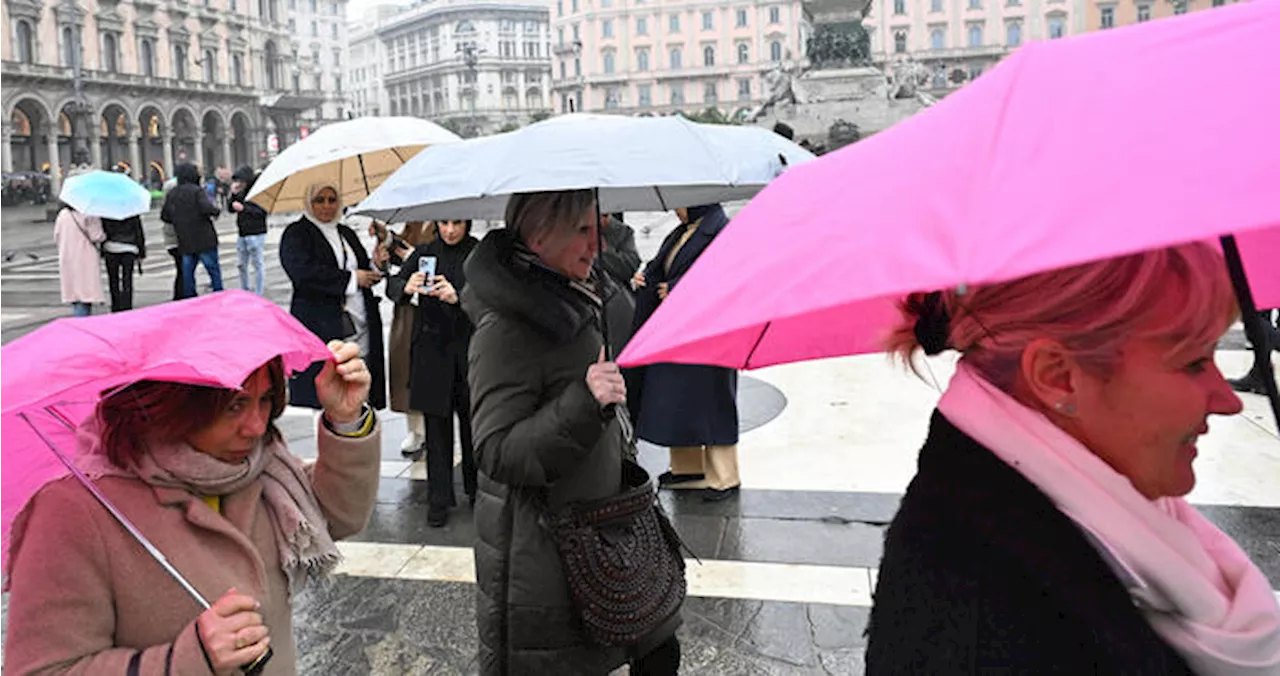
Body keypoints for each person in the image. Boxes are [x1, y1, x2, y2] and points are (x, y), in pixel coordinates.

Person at [866, 243, 1280, 673]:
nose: (1228, 400)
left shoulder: (1102, 521)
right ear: (1058, 377)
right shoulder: (980, 626)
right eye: (1193, 362)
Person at [3, 341, 381, 674]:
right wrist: (185, 660)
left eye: (265, 400)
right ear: (171, 408)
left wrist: (346, 420)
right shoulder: (74, 511)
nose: (256, 425)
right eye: (234, 406)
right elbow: (44, 669)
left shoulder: (260, 466)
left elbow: (336, 516)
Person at [463, 190, 682, 675]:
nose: (596, 243)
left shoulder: (578, 294)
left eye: (598, 227)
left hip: (605, 527)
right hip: (544, 553)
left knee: (661, 649)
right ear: (539, 235)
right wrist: (585, 402)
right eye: (583, 230)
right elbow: (496, 452)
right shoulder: (504, 330)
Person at [630, 204, 741, 502]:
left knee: (714, 401)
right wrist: (645, 278)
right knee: (682, 399)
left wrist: (679, 288)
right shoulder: (682, 231)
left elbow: (727, 275)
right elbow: (662, 266)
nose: (676, 209)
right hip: (681, 329)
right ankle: (687, 468)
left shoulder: (721, 231)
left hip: (710, 333)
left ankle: (725, 476)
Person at [387, 219, 479, 528]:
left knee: (472, 426)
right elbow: (392, 286)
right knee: (436, 430)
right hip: (431, 352)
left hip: (468, 351)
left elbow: (495, 297)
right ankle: (438, 499)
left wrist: (460, 297)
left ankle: (475, 490)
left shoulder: (478, 253)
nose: (450, 230)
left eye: (457, 224)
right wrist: (407, 287)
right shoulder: (424, 252)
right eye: (444, 223)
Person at [279, 181, 387, 411]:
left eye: (332, 200)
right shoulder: (297, 234)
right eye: (320, 200)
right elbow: (303, 273)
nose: (327, 206)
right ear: (309, 202)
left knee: (359, 384)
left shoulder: (344, 231)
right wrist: (350, 279)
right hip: (320, 326)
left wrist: (376, 263)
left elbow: (363, 269)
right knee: (324, 393)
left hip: (359, 323)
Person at [383, 221, 438, 453]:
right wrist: (387, 241)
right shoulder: (414, 219)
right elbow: (396, 277)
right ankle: (416, 431)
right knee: (406, 371)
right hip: (409, 312)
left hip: (437, 311)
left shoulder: (446, 221)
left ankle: (434, 432)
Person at [161, 163, 223, 299]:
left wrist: (179, 219)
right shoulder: (197, 191)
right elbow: (207, 208)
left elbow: (165, 216)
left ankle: (190, 300)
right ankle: (219, 297)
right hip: (204, 238)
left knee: (188, 274)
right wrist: (216, 211)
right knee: (213, 271)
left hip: (185, 240)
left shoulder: (173, 193)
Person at [54, 204, 106, 317]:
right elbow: (96, 236)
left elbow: (57, 236)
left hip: (67, 257)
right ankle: (82, 324)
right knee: (85, 295)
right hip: (85, 258)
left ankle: (79, 320)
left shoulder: (63, 214)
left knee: (76, 295)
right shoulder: (89, 214)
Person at [229, 166, 269, 296]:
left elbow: (262, 212)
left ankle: (259, 292)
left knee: (257, 262)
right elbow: (230, 208)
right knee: (241, 264)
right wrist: (233, 195)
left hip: (256, 232)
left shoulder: (259, 192)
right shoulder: (241, 191)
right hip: (243, 232)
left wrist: (244, 208)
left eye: (241, 181)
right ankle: (244, 289)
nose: (239, 183)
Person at [100, 214, 147, 312]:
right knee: (127, 279)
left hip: (111, 247)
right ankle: (127, 304)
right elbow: (138, 231)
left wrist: (102, 250)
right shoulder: (132, 211)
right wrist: (141, 252)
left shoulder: (106, 212)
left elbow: (103, 231)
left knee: (113, 279)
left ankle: (116, 305)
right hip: (129, 248)